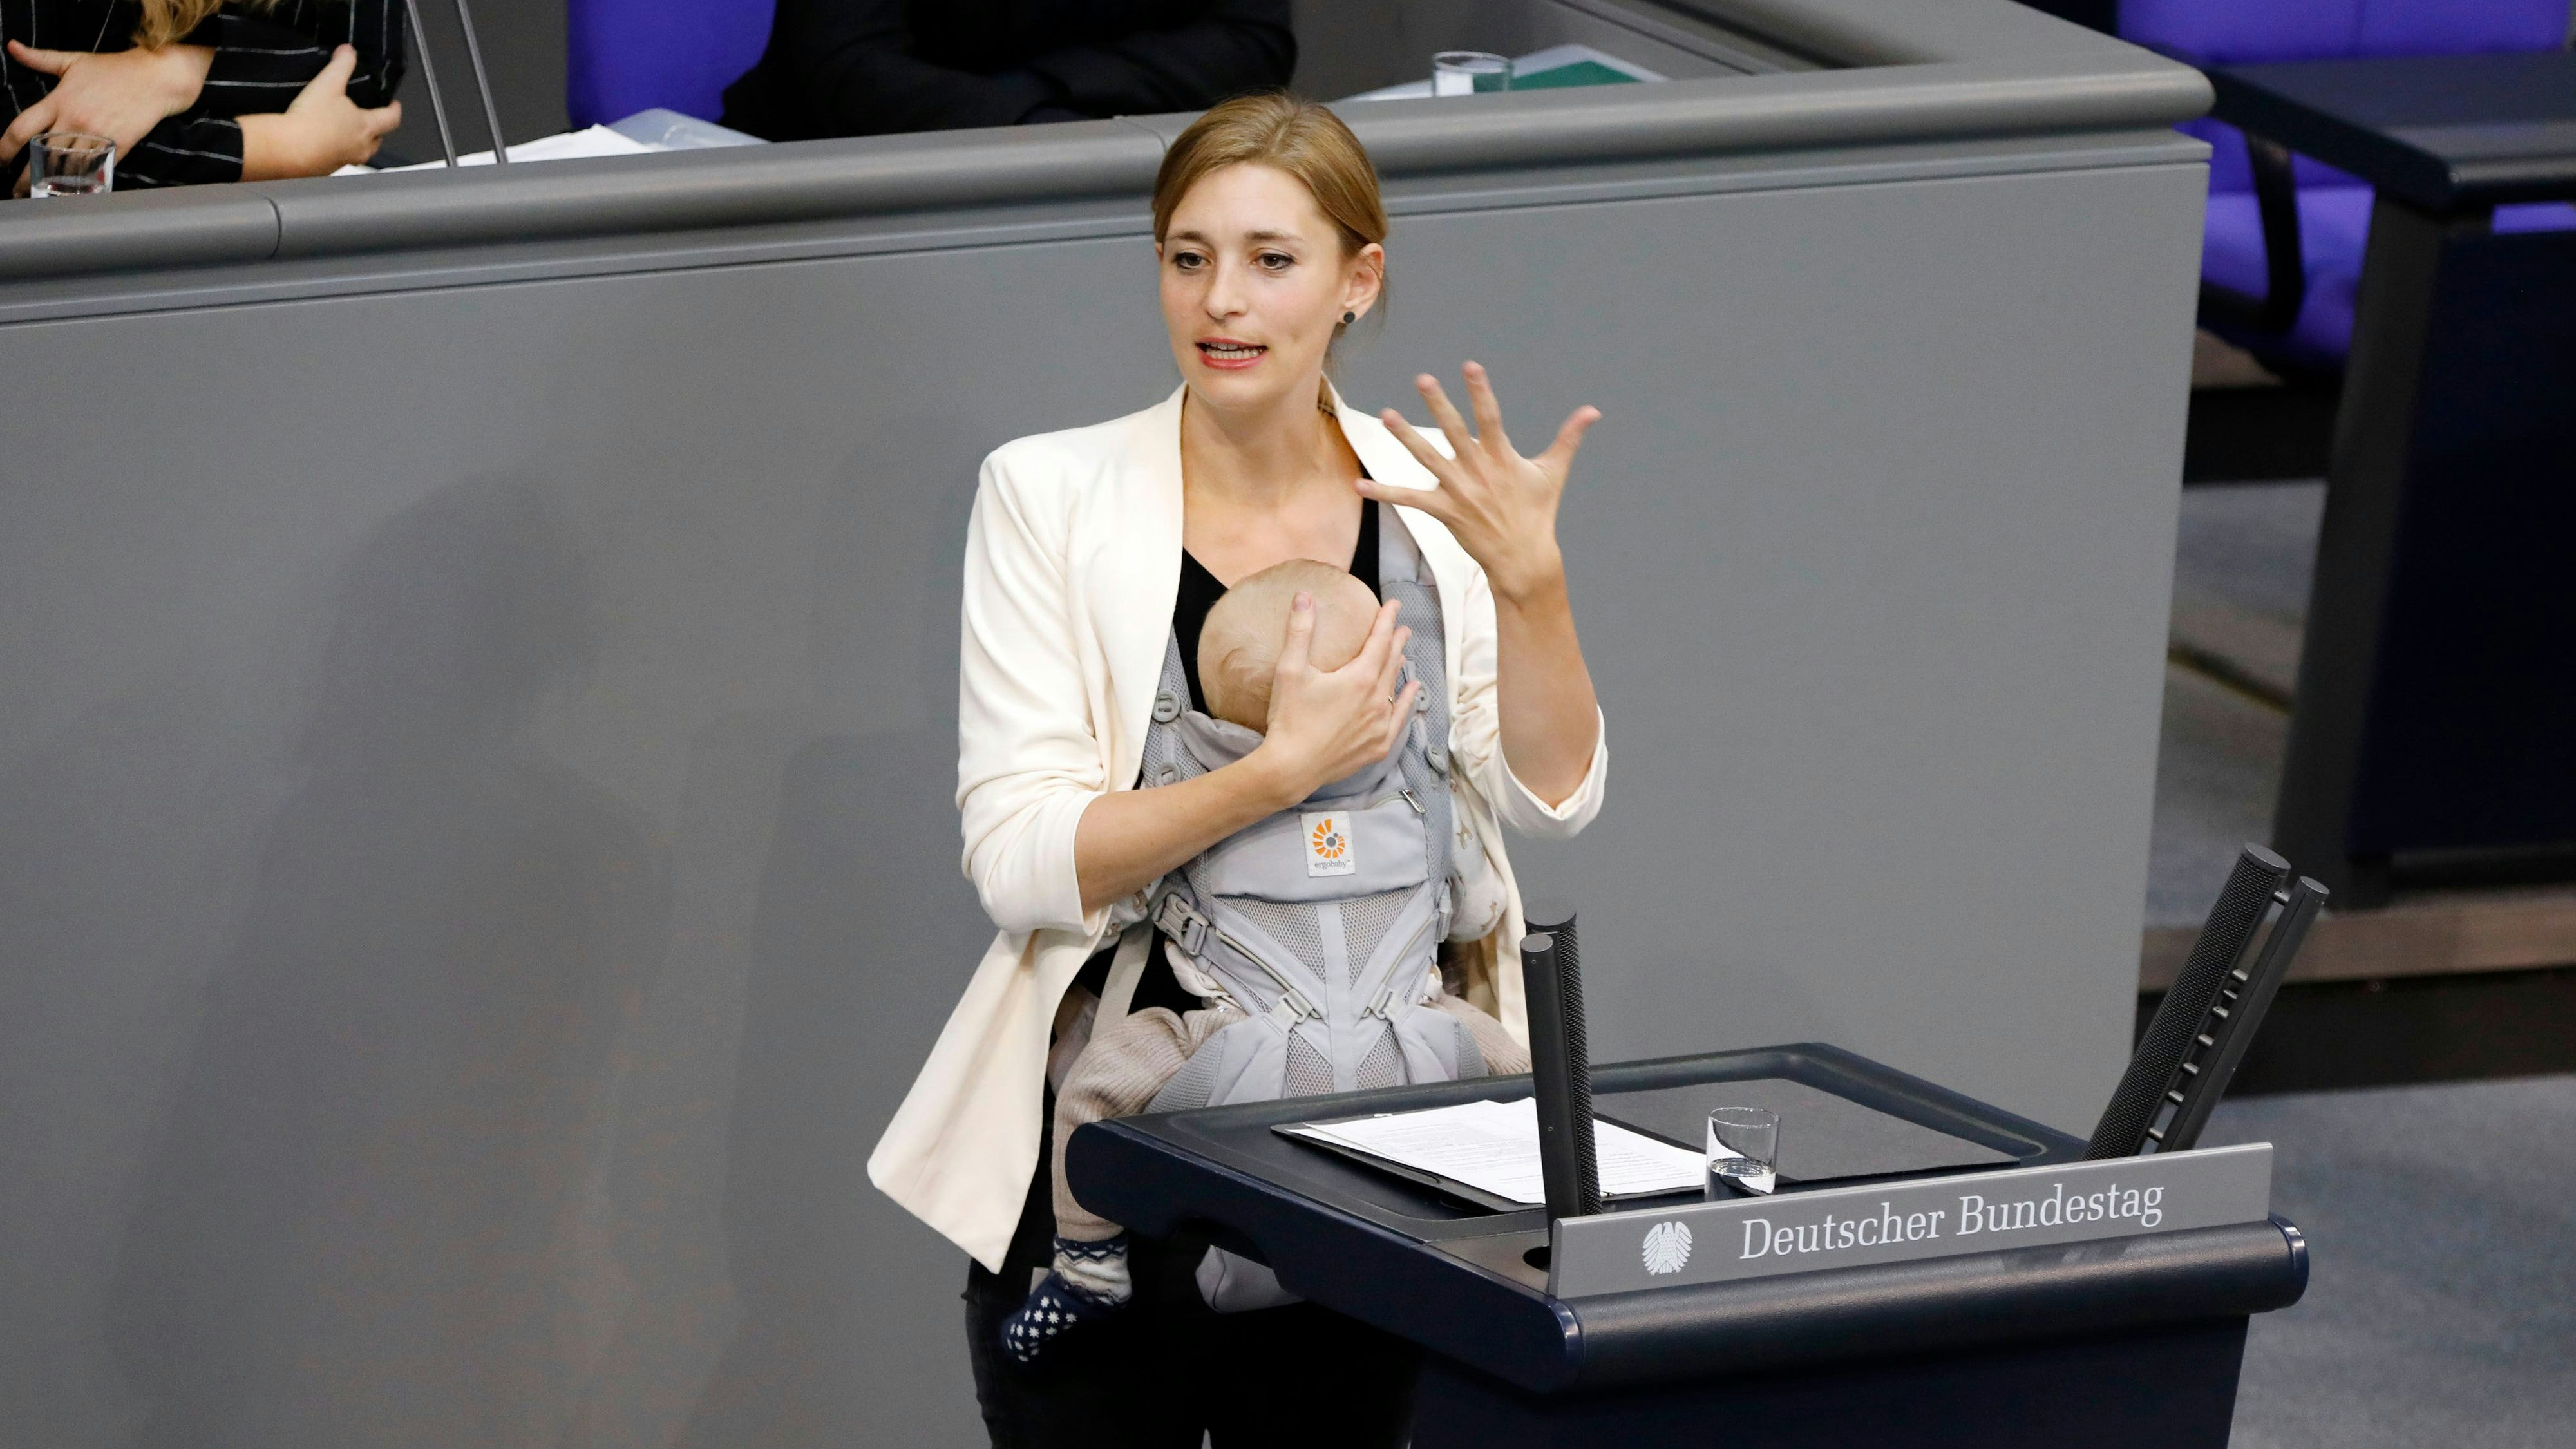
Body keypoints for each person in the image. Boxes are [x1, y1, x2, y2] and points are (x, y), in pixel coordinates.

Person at [867, 91, 1608, 1445]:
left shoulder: (1433, 503)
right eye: (1188, 256)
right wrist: (1275, 775)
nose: (1223, 300)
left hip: (1384, 1166)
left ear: (1356, 279)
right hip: (1129, 1172)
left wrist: (1533, 585)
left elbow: (1547, 799)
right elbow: (1021, 864)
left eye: (1272, 260)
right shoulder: (1050, 494)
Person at [1002, 558, 1530, 1368]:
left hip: (1240, 1049)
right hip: (1412, 1041)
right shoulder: (1420, 798)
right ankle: (1537, 1230)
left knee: (1089, 1089)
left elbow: (1120, 900)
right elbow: (1475, 910)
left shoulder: (1192, 793)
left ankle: (1087, 1262)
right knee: (1528, 1092)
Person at [719, 0, 1293, 142]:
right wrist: (1025, 118)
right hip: (841, 186)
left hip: (1121, 177)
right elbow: (850, 64)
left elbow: (1252, 42)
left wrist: (1047, 92)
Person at [1, 0, 402, 193]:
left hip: (254, 245)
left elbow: (365, 80)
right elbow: (27, 148)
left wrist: (178, 71)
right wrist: (279, 148)